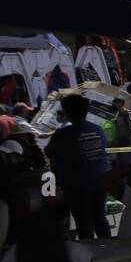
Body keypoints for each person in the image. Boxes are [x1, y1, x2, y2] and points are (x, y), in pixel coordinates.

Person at [44, 93, 111, 239]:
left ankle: (90, 254)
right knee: (99, 218)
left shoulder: (63, 133)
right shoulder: (97, 129)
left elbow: (49, 152)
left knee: (83, 220)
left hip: (76, 184)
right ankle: (108, 249)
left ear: (66, 112)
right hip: (100, 180)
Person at [108, 97, 131, 166]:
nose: (113, 105)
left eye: (115, 103)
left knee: (128, 166)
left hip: (128, 145)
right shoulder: (117, 114)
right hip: (119, 144)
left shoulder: (128, 115)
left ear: (120, 104)